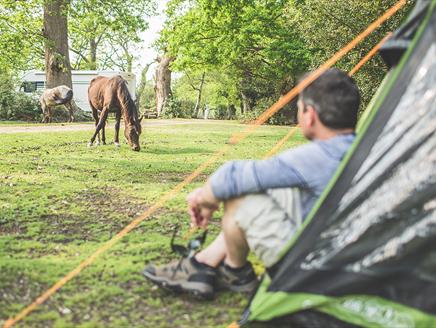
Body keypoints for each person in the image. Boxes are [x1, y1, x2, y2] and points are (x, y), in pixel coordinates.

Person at [143, 68, 361, 299]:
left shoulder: (318, 156)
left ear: (310, 115)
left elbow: (232, 176)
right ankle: (210, 265)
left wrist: (202, 198)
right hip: (349, 255)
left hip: (316, 269)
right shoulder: (370, 148)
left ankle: (230, 270)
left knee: (240, 196)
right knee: (264, 187)